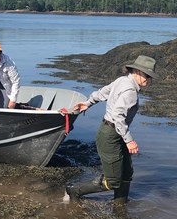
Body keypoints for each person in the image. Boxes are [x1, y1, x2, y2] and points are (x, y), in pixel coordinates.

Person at [65, 55, 158, 206]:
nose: (149, 80)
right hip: (110, 135)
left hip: (117, 132)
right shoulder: (130, 91)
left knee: (127, 172)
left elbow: (103, 92)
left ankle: (120, 205)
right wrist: (129, 141)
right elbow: (118, 116)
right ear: (136, 71)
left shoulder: (122, 80)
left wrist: (88, 103)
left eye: (151, 76)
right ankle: (75, 190)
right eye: (147, 75)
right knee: (113, 180)